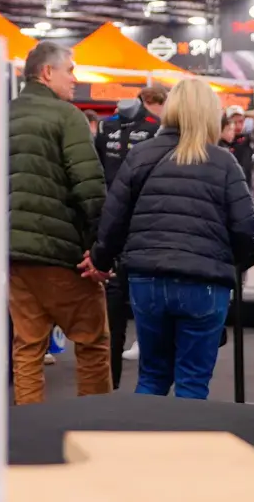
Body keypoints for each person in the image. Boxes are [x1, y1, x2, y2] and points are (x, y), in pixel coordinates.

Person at [88, 77, 254, 400]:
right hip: (204, 282)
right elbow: (245, 229)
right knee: (193, 382)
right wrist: (228, 261)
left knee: (151, 377)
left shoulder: (140, 155)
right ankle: (186, 436)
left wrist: (101, 260)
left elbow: (113, 219)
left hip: (147, 278)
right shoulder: (224, 163)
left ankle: (144, 435)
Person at [7, 41, 110, 404]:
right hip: (63, 255)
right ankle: (94, 425)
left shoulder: (1, 115)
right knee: (92, 343)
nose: (75, 79)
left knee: (27, 346)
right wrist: (100, 249)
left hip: (13, 255)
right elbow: (89, 186)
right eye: (71, 71)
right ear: (47, 72)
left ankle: (29, 426)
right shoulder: (68, 117)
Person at [95, 83, 165, 382]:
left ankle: (150, 382)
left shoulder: (155, 127)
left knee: (148, 308)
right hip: (113, 228)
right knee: (113, 313)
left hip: (144, 229)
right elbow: (96, 172)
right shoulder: (105, 126)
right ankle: (111, 382)